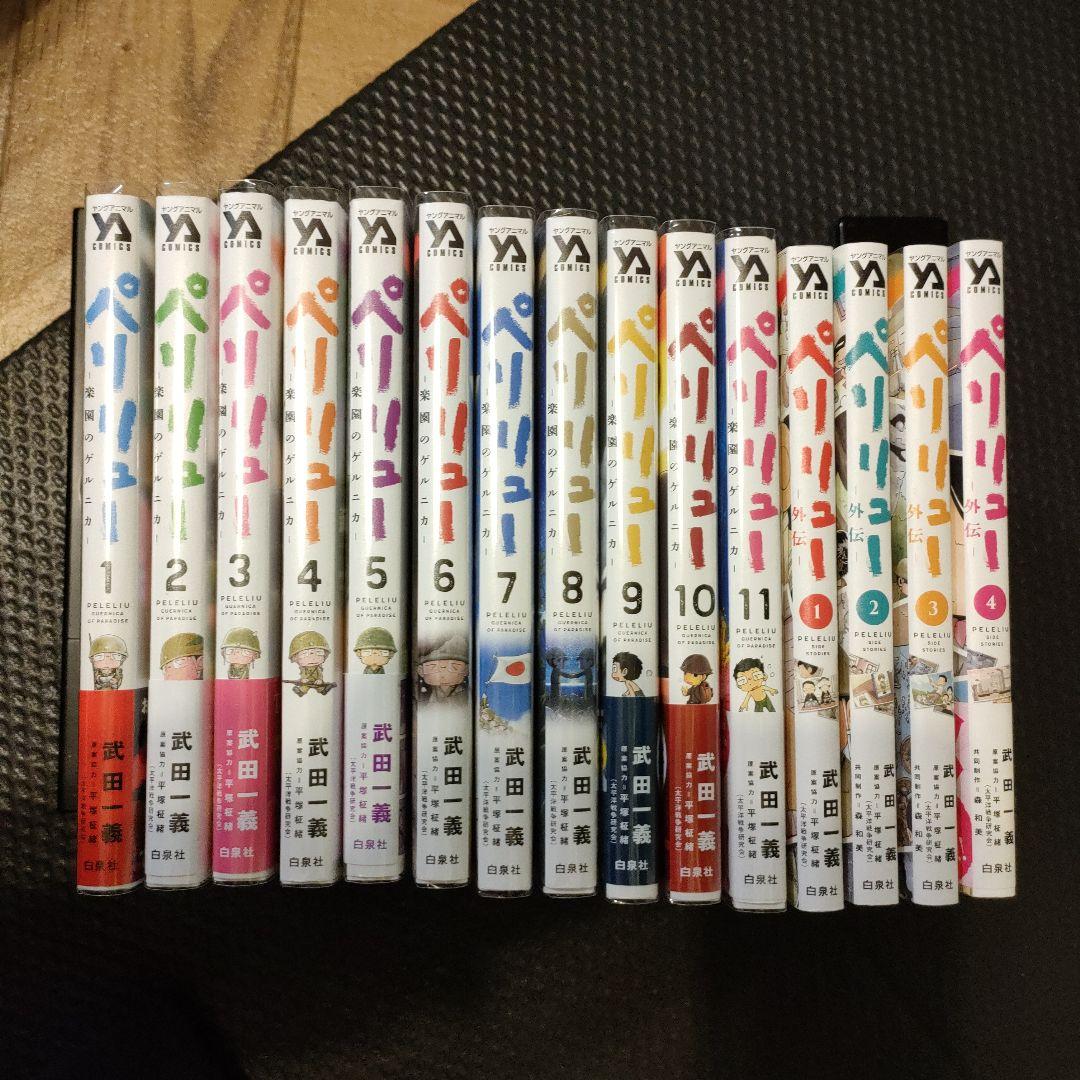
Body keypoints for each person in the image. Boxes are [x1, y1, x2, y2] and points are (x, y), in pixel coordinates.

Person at [418, 636, 469, 702]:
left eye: (454, 667)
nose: (444, 674)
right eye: (433, 667)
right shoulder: (423, 696)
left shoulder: (466, 695)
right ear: (421, 671)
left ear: (466, 670)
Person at [288, 631, 333, 697]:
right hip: (307, 682)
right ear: (295, 657)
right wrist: (303, 679)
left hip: (316, 682)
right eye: (304, 654)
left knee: (320, 688)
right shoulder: (303, 668)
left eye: (318, 652)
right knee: (304, 687)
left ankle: (324, 690)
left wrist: (320, 680)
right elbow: (303, 674)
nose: (312, 658)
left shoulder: (318, 668)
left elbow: (320, 674)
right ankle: (300, 692)